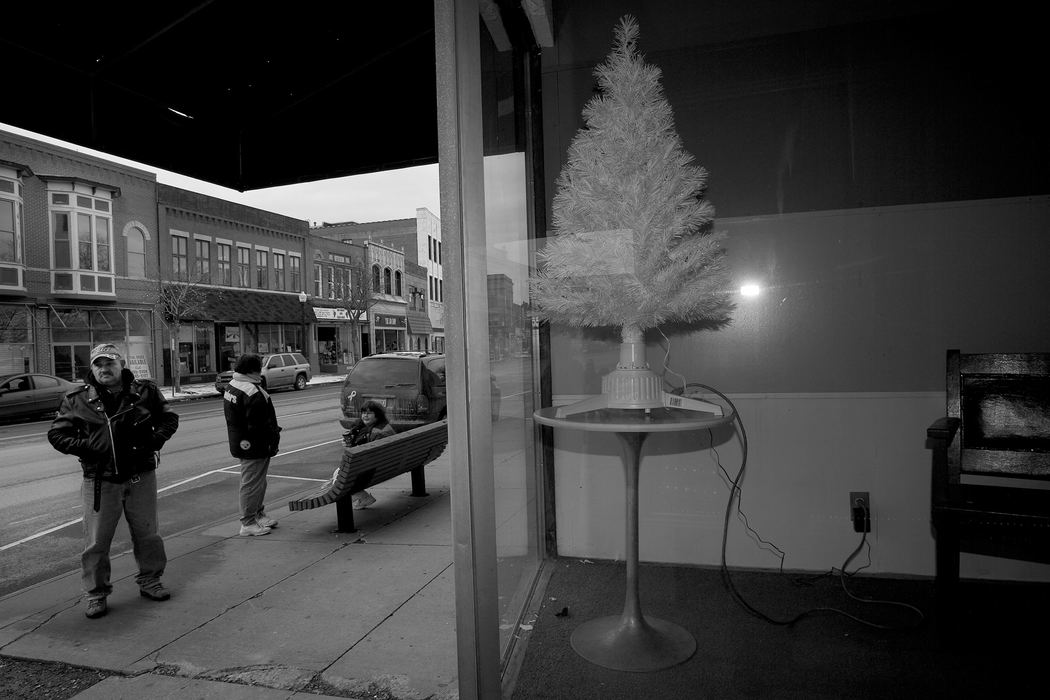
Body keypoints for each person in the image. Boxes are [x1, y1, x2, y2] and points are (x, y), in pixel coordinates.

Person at [47, 343, 180, 619]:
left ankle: (150, 581)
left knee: (148, 534)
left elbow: (169, 418)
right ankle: (96, 594)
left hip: (140, 475)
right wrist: (90, 447)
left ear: (121, 365)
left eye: (110, 363)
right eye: (98, 364)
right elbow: (57, 436)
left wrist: (155, 440)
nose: (104, 369)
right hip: (99, 480)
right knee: (97, 542)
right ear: (92, 369)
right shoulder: (77, 399)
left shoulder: (145, 391)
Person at [223, 353, 282, 536]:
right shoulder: (251, 391)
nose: (262, 369)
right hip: (255, 445)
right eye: (260, 366)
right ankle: (248, 522)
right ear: (252, 370)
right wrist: (272, 439)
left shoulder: (233, 385)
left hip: (243, 442)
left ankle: (257, 514)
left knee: (256, 482)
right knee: (251, 483)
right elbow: (259, 425)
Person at [342, 400, 396, 508]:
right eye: (363, 413)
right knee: (341, 474)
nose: (365, 416)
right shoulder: (382, 427)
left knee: (340, 476)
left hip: (377, 470)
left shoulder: (378, 432)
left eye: (369, 413)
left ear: (377, 415)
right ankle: (362, 497)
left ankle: (362, 497)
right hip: (388, 466)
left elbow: (371, 457)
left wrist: (350, 449)